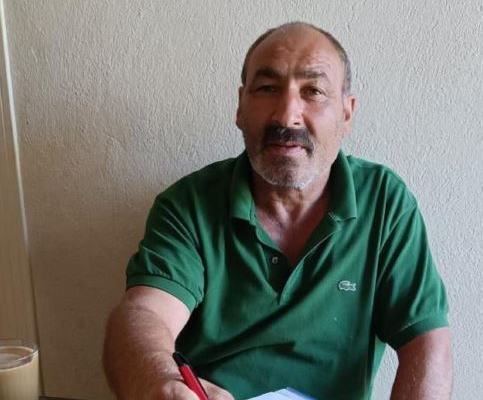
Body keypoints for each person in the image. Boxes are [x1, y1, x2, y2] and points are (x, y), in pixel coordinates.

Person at [103, 22, 452, 400]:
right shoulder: (188, 204)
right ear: (240, 106)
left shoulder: (385, 201)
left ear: (347, 113)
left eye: (313, 91)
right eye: (268, 88)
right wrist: (162, 383)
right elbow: (145, 315)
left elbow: (427, 342)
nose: (287, 117)